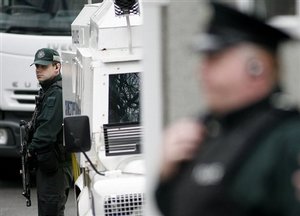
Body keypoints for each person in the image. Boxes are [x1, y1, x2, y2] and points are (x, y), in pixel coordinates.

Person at [155, 2, 300, 216]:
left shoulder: (287, 138)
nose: (201, 71)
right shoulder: (205, 132)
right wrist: (166, 174)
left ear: (256, 68)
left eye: (214, 58)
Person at [28, 48, 72, 216]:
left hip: (55, 164)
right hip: (51, 163)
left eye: (44, 67)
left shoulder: (56, 93)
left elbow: (46, 132)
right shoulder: (49, 90)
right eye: (37, 66)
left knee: (50, 210)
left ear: (57, 67)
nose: (39, 70)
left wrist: (30, 150)